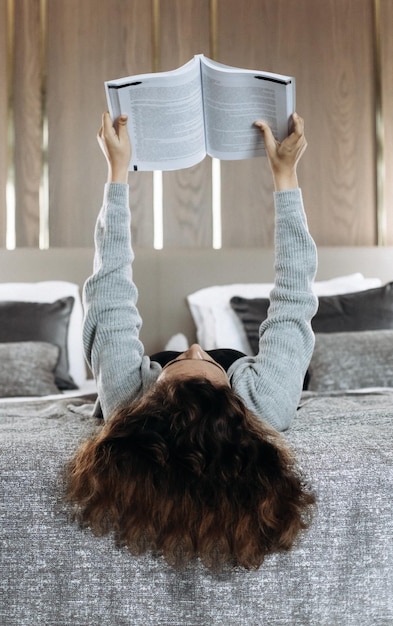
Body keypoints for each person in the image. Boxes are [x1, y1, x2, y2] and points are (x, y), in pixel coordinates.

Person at [65, 111, 318, 570]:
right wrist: (286, 178)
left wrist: (116, 174)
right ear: (236, 402)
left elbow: (109, 292)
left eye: (181, 358)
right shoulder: (267, 403)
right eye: (200, 359)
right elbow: (294, 296)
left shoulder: (129, 398)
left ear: (153, 395)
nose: (197, 347)